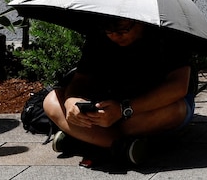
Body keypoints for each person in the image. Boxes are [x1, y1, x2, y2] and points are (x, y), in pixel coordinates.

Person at [42, 17, 195, 166]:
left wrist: (124, 110)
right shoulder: (99, 36)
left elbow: (178, 87)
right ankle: (121, 145)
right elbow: (80, 80)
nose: (115, 36)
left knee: (174, 111)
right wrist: (71, 102)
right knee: (51, 101)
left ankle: (86, 138)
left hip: (147, 107)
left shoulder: (170, 34)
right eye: (109, 31)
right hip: (109, 105)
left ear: (140, 21)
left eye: (122, 30)